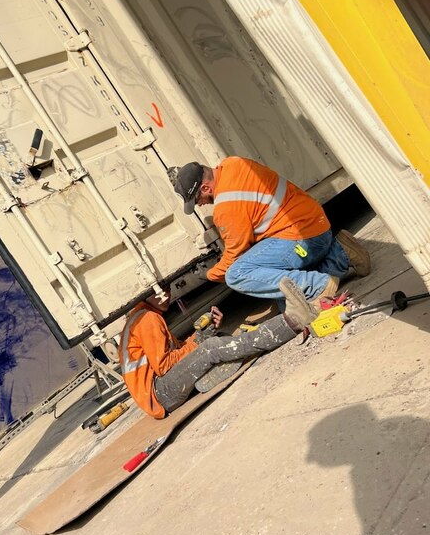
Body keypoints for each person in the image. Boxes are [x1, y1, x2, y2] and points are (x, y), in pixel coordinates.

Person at [174, 157, 370, 307]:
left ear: (206, 187)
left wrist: (210, 275)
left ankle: (318, 285)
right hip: (318, 225)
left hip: (303, 240)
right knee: (286, 300)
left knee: (236, 274)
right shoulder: (234, 163)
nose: (199, 204)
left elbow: (235, 256)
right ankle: (341, 253)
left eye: (196, 200)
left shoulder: (226, 207)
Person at [119, 277, 316, 418]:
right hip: (160, 394)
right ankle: (292, 322)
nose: (165, 295)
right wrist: (202, 341)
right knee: (212, 348)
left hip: (162, 387)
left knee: (218, 341)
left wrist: (204, 331)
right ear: (143, 295)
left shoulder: (144, 316)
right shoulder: (147, 319)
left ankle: (206, 376)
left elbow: (178, 353)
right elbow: (165, 366)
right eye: (158, 292)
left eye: (167, 288)